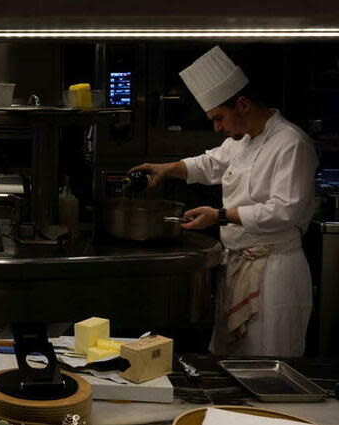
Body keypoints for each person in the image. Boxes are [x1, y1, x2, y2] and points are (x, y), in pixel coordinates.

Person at [130, 46, 318, 357]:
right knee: (234, 362)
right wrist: (166, 169)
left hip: (274, 272)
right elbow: (209, 164)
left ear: (242, 104)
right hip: (238, 265)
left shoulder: (291, 143)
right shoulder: (243, 141)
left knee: (267, 363)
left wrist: (220, 215)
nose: (217, 128)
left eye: (219, 118)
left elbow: (285, 211)